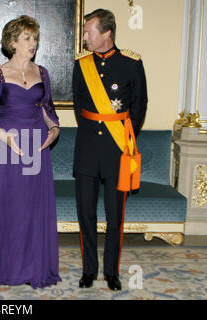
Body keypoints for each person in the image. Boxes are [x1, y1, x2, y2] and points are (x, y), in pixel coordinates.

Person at [0, 15, 61, 288]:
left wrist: (54, 131)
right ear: (12, 42)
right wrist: (6, 139)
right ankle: (8, 268)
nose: (32, 43)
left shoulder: (42, 73)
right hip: (6, 147)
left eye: (34, 38)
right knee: (10, 207)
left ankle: (34, 268)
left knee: (33, 209)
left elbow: (49, 112)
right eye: (26, 38)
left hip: (36, 147)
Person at [73, 9, 147, 291]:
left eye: (89, 32)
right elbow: (81, 107)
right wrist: (96, 131)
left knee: (115, 217)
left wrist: (123, 136)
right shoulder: (81, 64)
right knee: (86, 214)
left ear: (107, 34)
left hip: (118, 150)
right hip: (88, 149)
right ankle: (89, 270)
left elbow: (139, 105)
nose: (85, 37)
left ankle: (111, 272)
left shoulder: (131, 63)